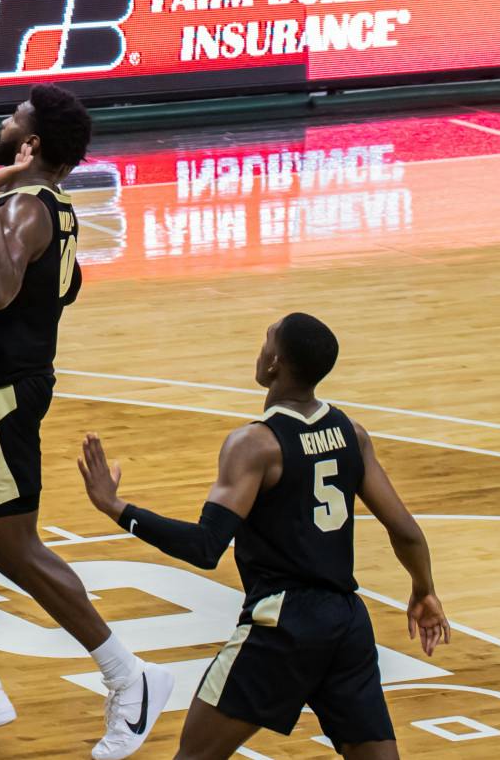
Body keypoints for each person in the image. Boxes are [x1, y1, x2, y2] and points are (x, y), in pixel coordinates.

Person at [0, 87, 173, 751]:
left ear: (31, 145)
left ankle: (129, 678)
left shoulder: (24, 208)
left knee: (13, 548)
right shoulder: (51, 210)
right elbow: (61, 288)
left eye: (13, 117)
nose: (1, 121)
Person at [77, 311, 451, 760]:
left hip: (282, 625)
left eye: (266, 340)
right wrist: (423, 589)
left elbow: (205, 546)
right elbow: (406, 532)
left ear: (274, 364)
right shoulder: (352, 434)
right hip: (346, 622)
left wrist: (119, 509)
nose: (261, 347)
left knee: (194, 755)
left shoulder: (255, 444)